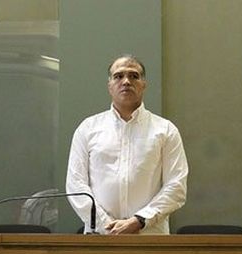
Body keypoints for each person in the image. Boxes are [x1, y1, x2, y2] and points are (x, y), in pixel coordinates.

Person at [66, 54, 188, 234]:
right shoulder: (88, 128)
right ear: (109, 86)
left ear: (143, 85)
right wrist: (106, 224)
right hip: (101, 236)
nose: (126, 81)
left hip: (149, 236)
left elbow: (176, 185)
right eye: (118, 76)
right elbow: (75, 184)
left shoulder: (165, 130)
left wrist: (139, 220)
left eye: (134, 76)